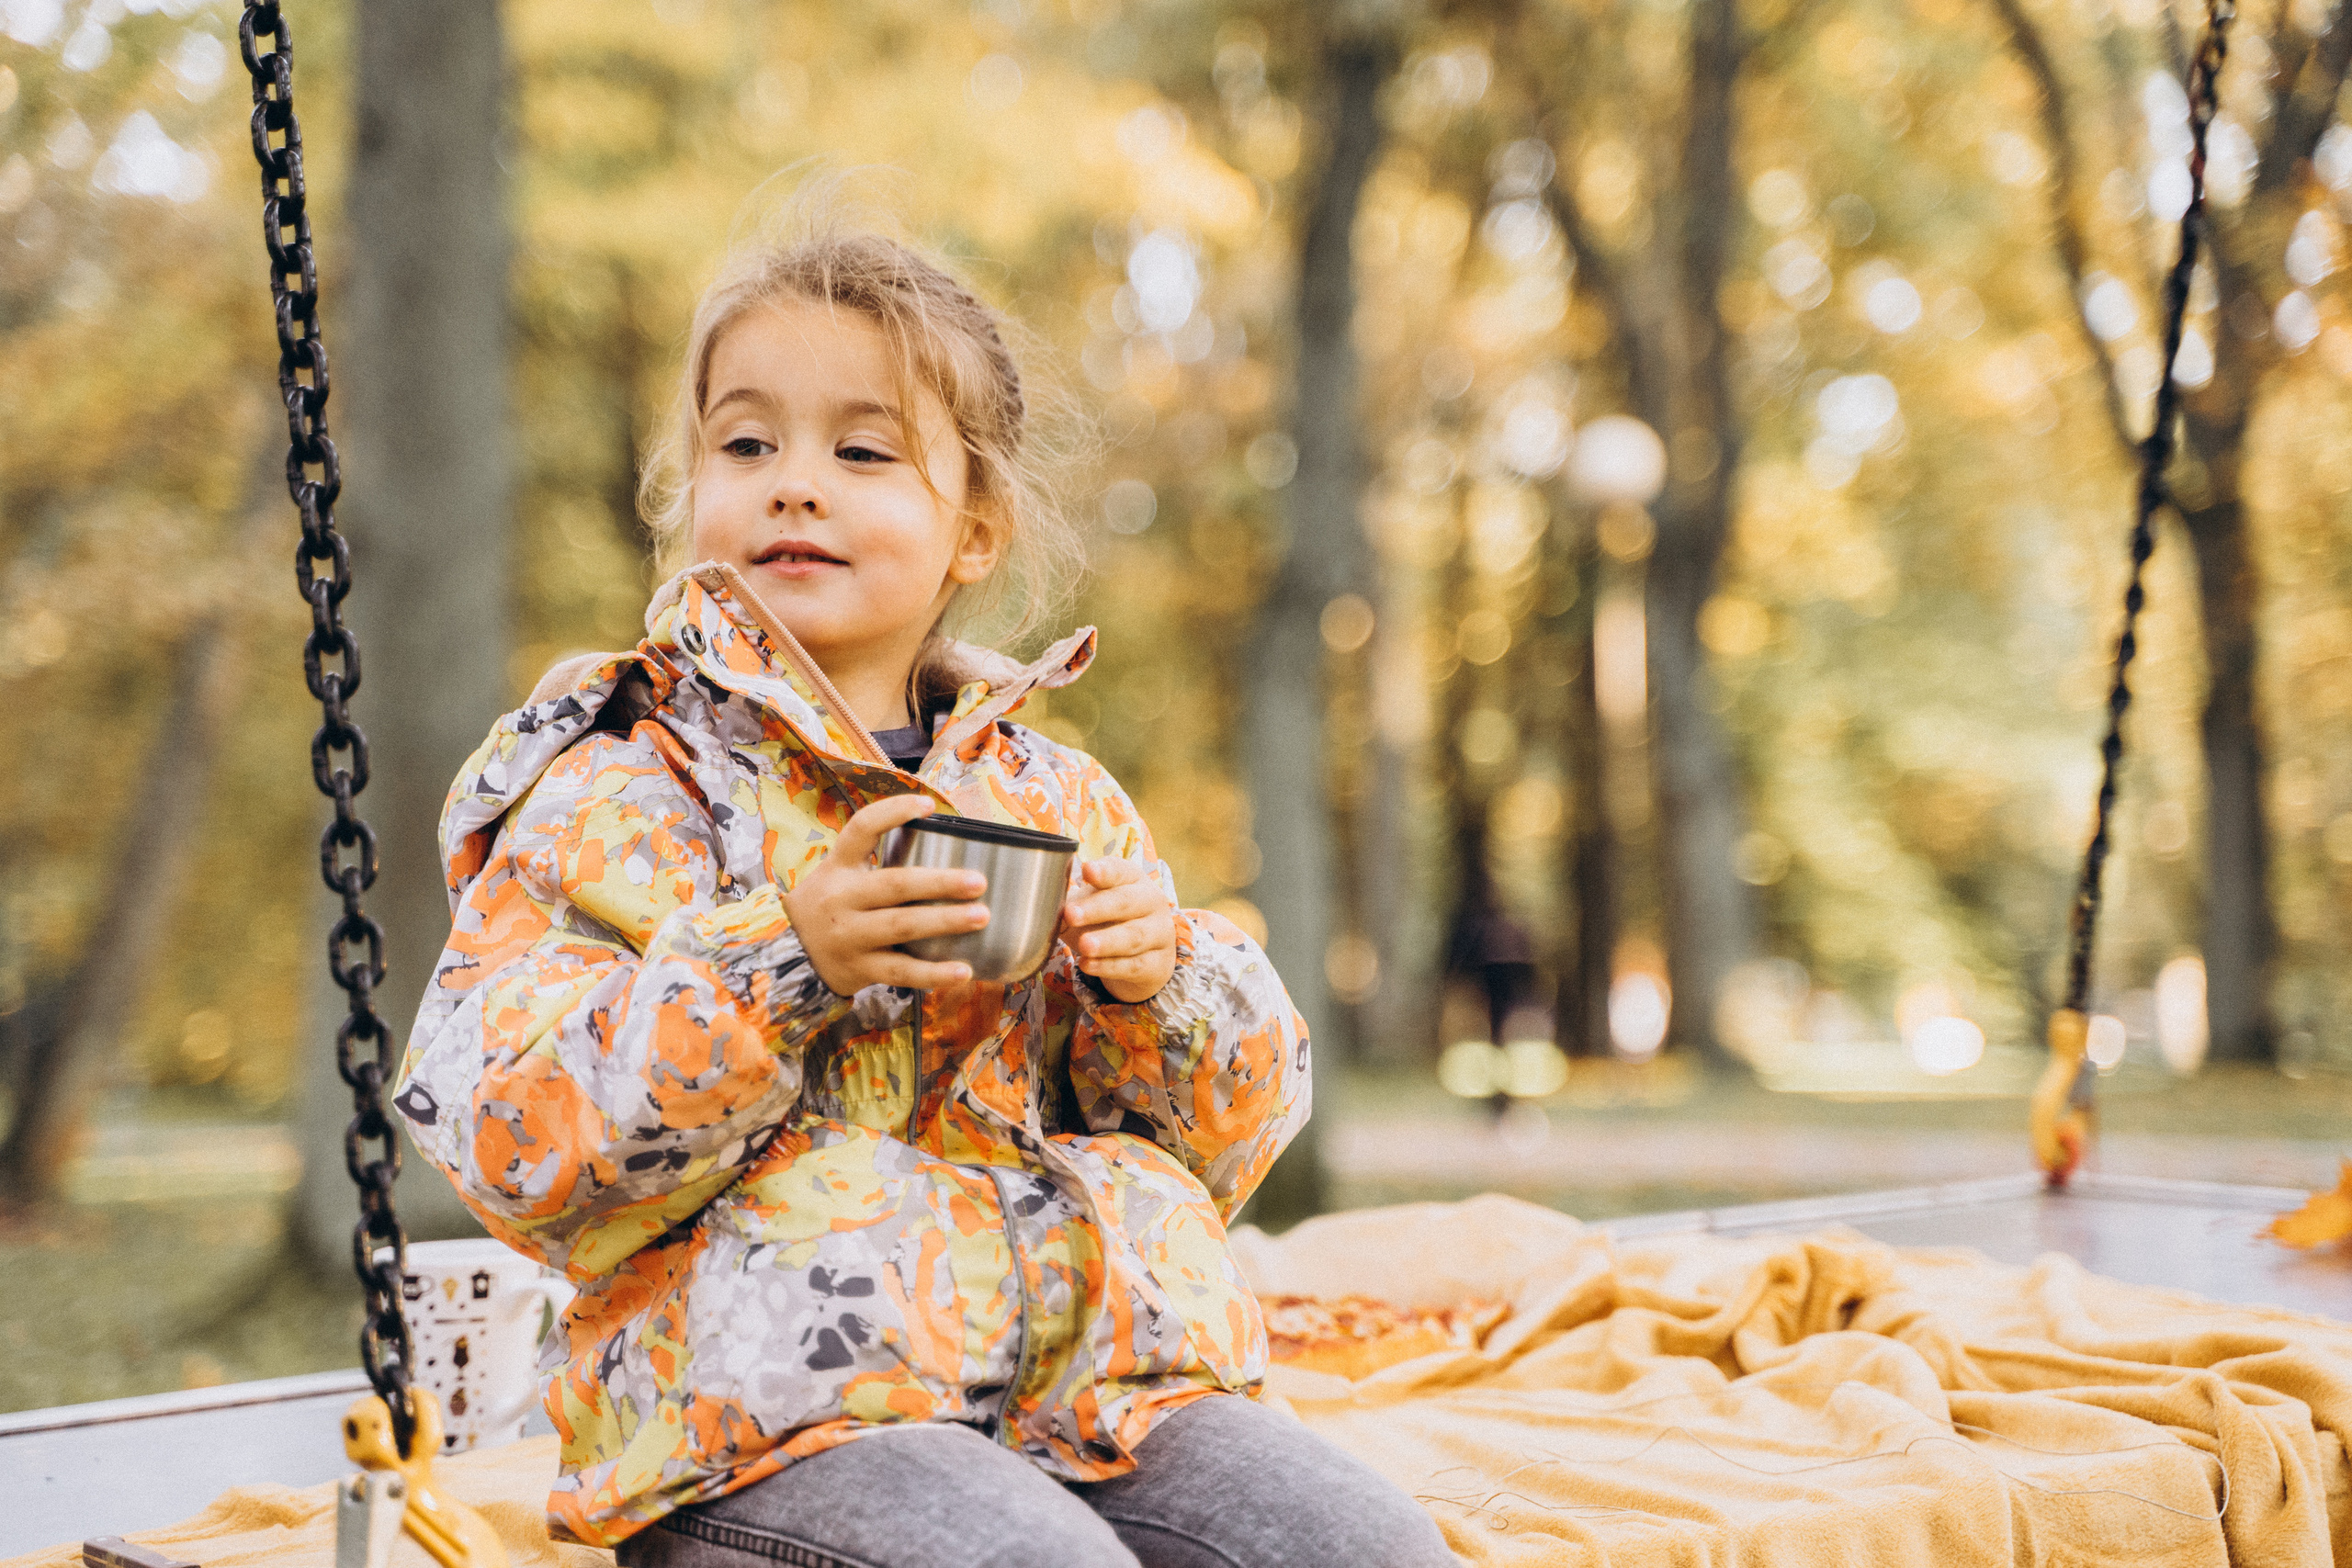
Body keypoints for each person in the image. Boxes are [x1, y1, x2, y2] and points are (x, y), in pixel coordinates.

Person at [390, 201, 1455, 1568]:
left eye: (862, 451)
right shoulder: (622, 790)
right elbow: (505, 1135)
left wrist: (1162, 982)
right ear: (689, 492)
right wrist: (782, 965)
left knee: (1376, 1551)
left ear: (976, 530)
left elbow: (1220, 1153)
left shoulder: (1052, 799)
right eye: (746, 442)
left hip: (1073, 1389)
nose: (794, 482)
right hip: (756, 1426)